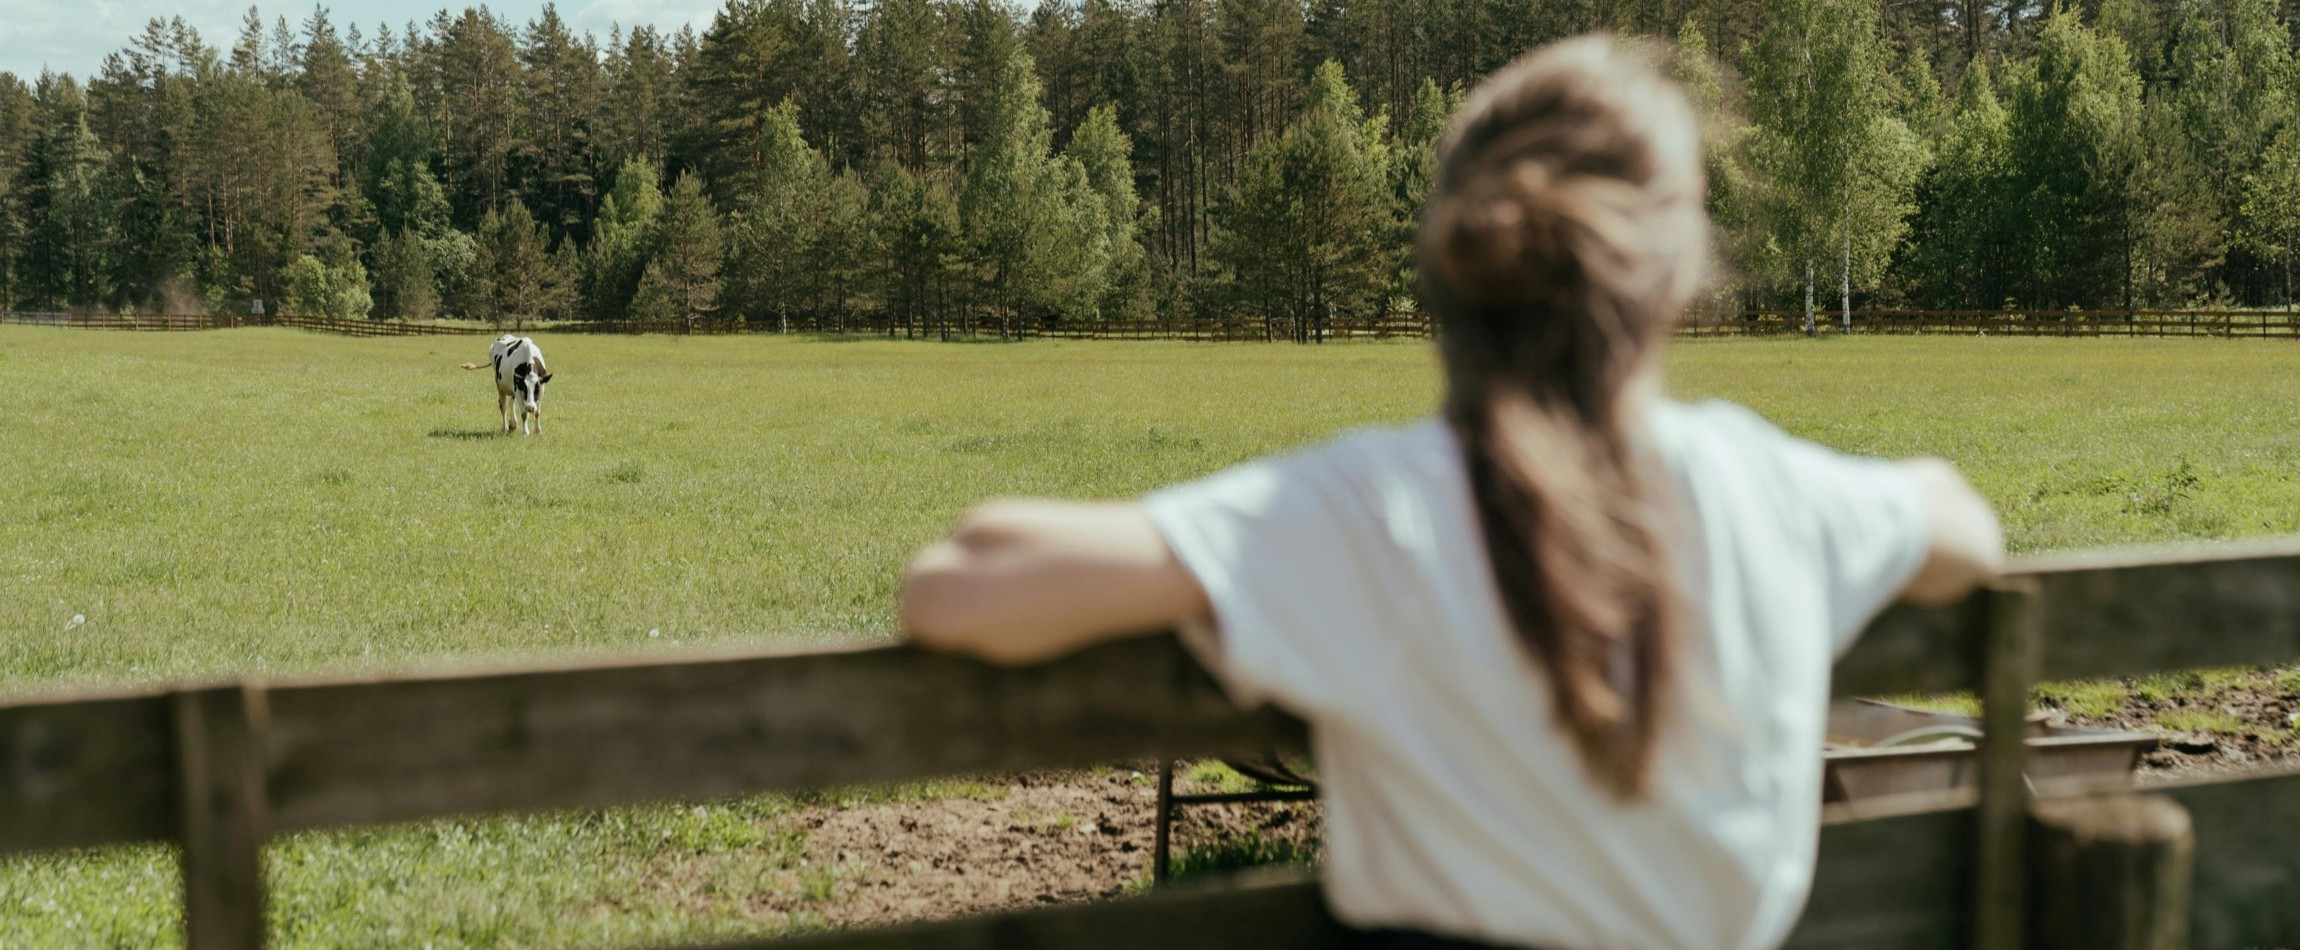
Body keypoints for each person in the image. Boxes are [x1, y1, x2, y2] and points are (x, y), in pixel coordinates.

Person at [898, 35, 2003, 950]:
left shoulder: (1376, 511)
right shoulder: (1772, 494)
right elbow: (1961, 525)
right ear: (1676, 266)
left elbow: (960, 591)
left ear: (1447, 260)